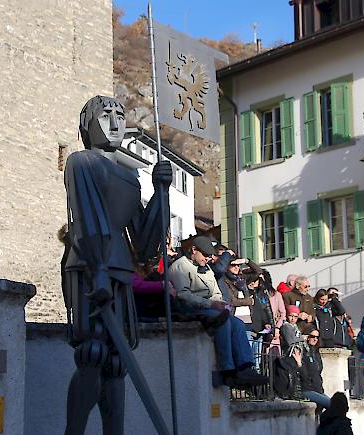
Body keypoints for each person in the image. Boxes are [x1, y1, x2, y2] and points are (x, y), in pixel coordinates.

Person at [62, 96, 174, 435]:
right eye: (104, 115)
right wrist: (97, 269)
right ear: (88, 124)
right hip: (88, 265)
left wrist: (161, 193)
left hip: (120, 269)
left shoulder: (130, 177)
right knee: (92, 352)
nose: (114, 122)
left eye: (119, 115)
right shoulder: (81, 162)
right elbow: (86, 216)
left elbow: (144, 242)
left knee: (116, 362)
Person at [169, 236, 267, 387]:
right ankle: (227, 368)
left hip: (209, 307)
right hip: (190, 308)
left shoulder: (206, 268)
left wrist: (220, 304)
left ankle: (245, 368)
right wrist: (211, 304)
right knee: (224, 321)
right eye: (206, 255)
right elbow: (184, 296)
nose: (208, 258)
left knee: (238, 324)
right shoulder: (180, 267)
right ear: (194, 250)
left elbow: (215, 291)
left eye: (210, 255)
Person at [302, 326, 330, 410]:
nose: (315, 339)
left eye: (317, 337)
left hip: (318, 389)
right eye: (312, 336)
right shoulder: (303, 352)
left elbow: (318, 372)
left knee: (337, 404)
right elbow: (303, 373)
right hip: (307, 389)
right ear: (307, 337)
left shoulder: (316, 353)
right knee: (332, 404)